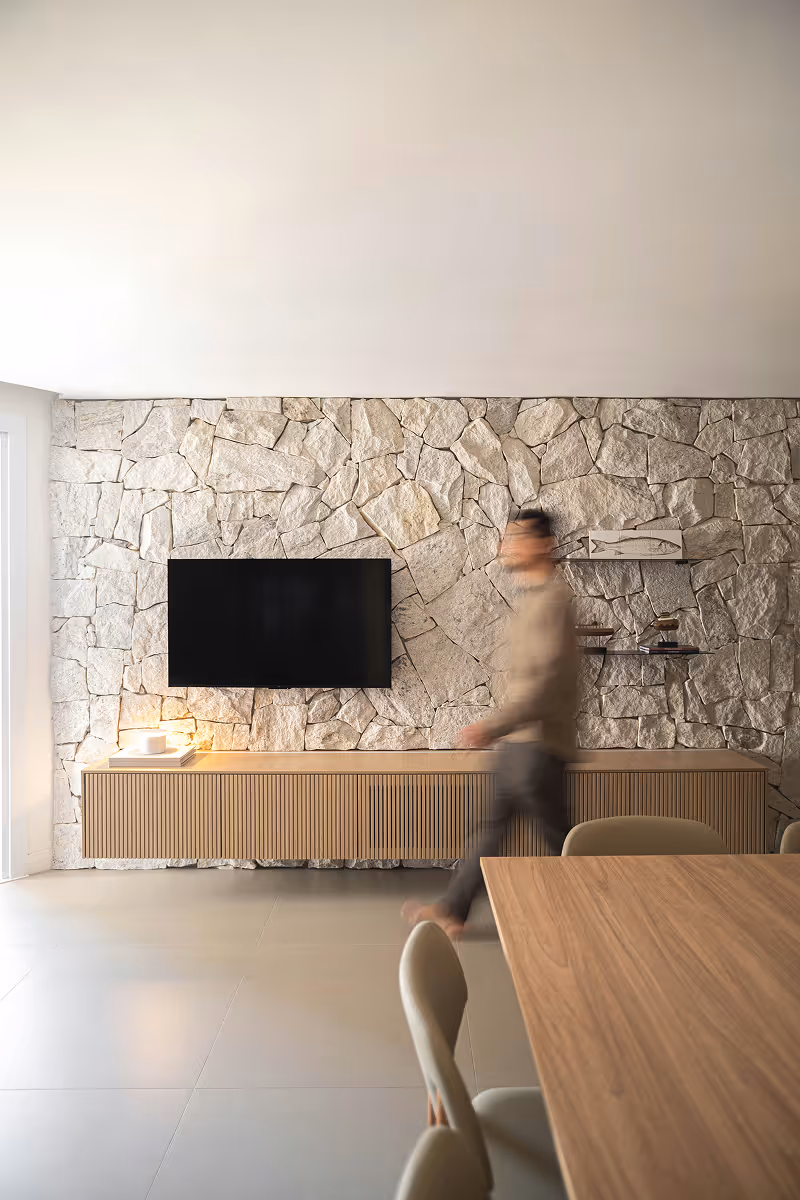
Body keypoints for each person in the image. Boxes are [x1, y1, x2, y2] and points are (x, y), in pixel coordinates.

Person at [403, 508, 578, 939]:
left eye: (516, 537)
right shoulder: (532, 599)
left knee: (561, 843)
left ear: (544, 544)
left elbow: (547, 681)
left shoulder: (554, 601)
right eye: (506, 537)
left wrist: (494, 726)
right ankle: (452, 910)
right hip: (520, 744)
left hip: (539, 746)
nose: (506, 545)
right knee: (492, 831)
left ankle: (592, 910)